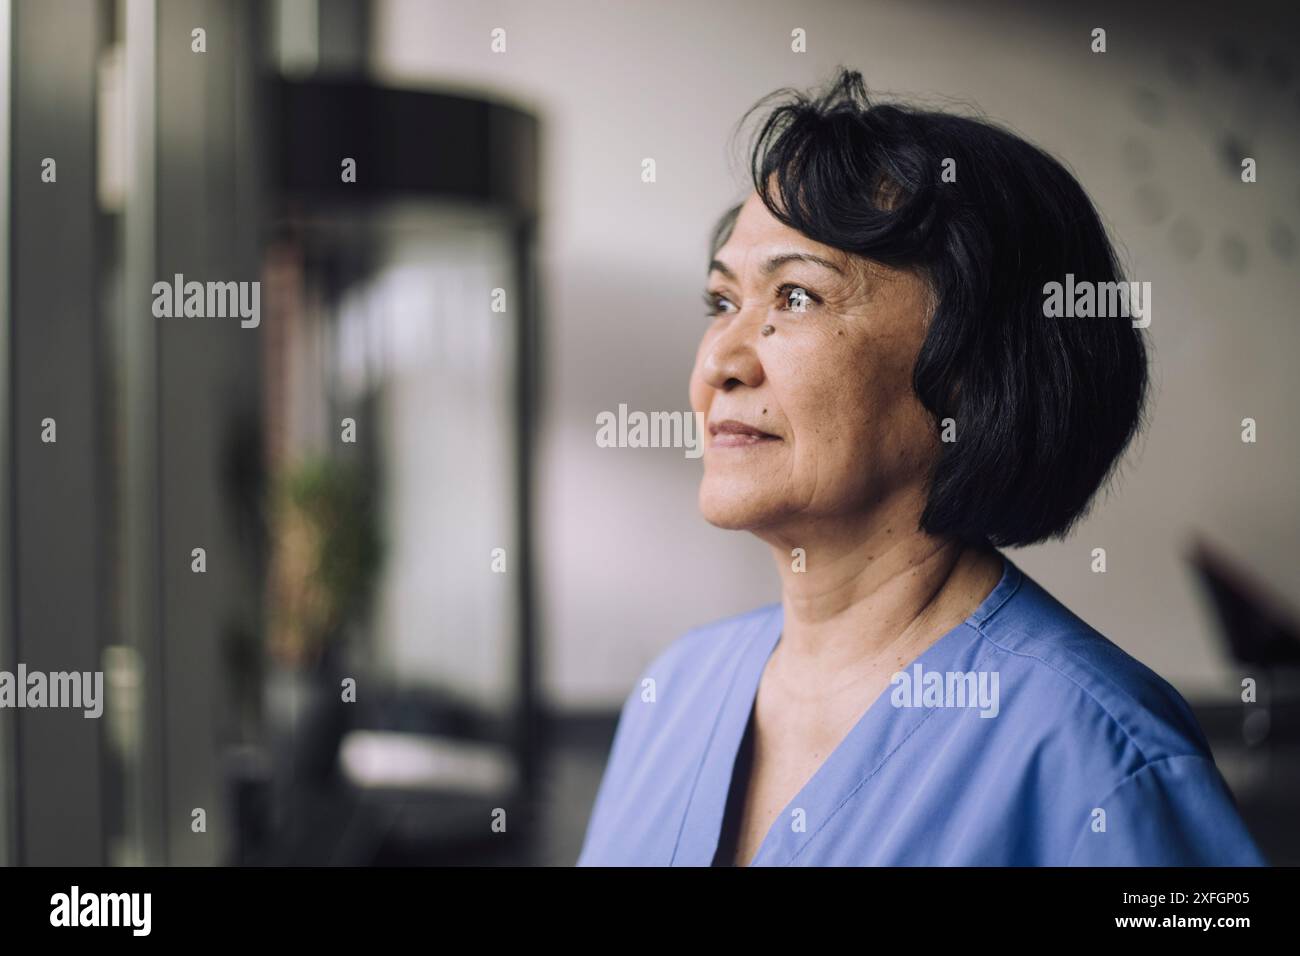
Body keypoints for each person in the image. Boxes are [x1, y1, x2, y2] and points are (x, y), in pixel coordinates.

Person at [576, 68, 1266, 866]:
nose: (721, 361)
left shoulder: (1103, 762)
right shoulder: (678, 693)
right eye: (723, 302)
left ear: (974, 368)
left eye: (796, 297)